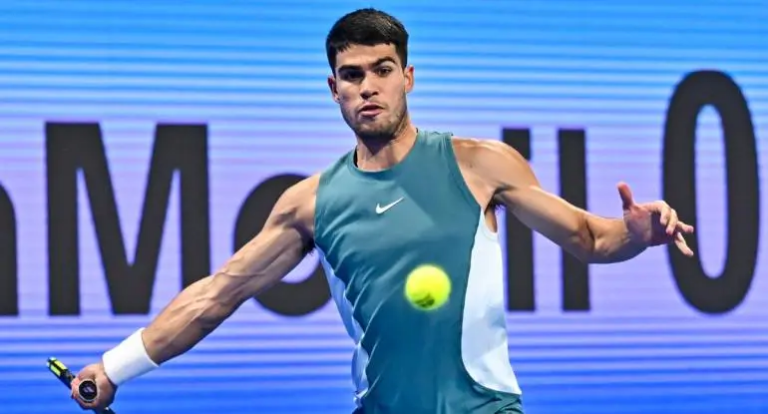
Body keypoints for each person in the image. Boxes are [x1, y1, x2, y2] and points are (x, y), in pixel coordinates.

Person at [70, 8, 695, 414]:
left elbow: (590, 237)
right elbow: (216, 296)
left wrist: (636, 233)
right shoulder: (309, 204)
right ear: (333, 88)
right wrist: (114, 368)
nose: (367, 86)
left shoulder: (479, 164)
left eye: (382, 69)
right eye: (351, 74)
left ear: (408, 77)